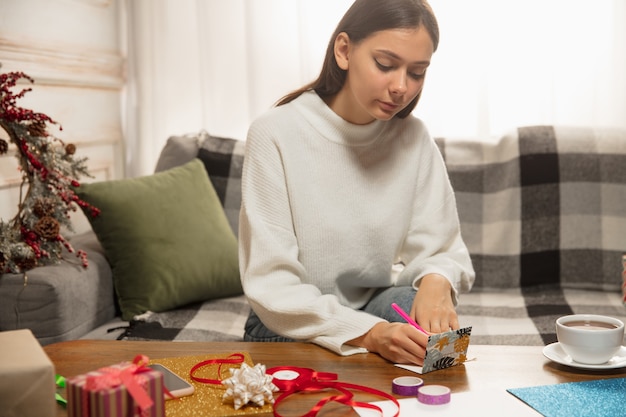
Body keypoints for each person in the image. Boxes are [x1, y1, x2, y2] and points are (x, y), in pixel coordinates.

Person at [238, 0, 475, 365]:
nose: (401, 87)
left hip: (375, 307)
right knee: (383, 359)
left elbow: (444, 249)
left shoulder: (413, 138)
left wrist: (436, 280)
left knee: (440, 348)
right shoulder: (274, 133)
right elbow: (273, 287)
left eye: (417, 72)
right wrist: (370, 334)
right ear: (344, 50)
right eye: (385, 64)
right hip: (288, 322)